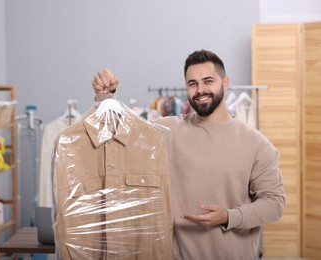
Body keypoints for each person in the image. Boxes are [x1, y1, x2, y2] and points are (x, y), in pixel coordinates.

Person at [91, 49, 285, 260]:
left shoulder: (256, 144)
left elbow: (274, 203)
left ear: (225, 82)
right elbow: (114, 133)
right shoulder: (167, 131)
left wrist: (229, 217)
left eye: (208, 81)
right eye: (192, 83)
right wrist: (105, 96)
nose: (200, 89)